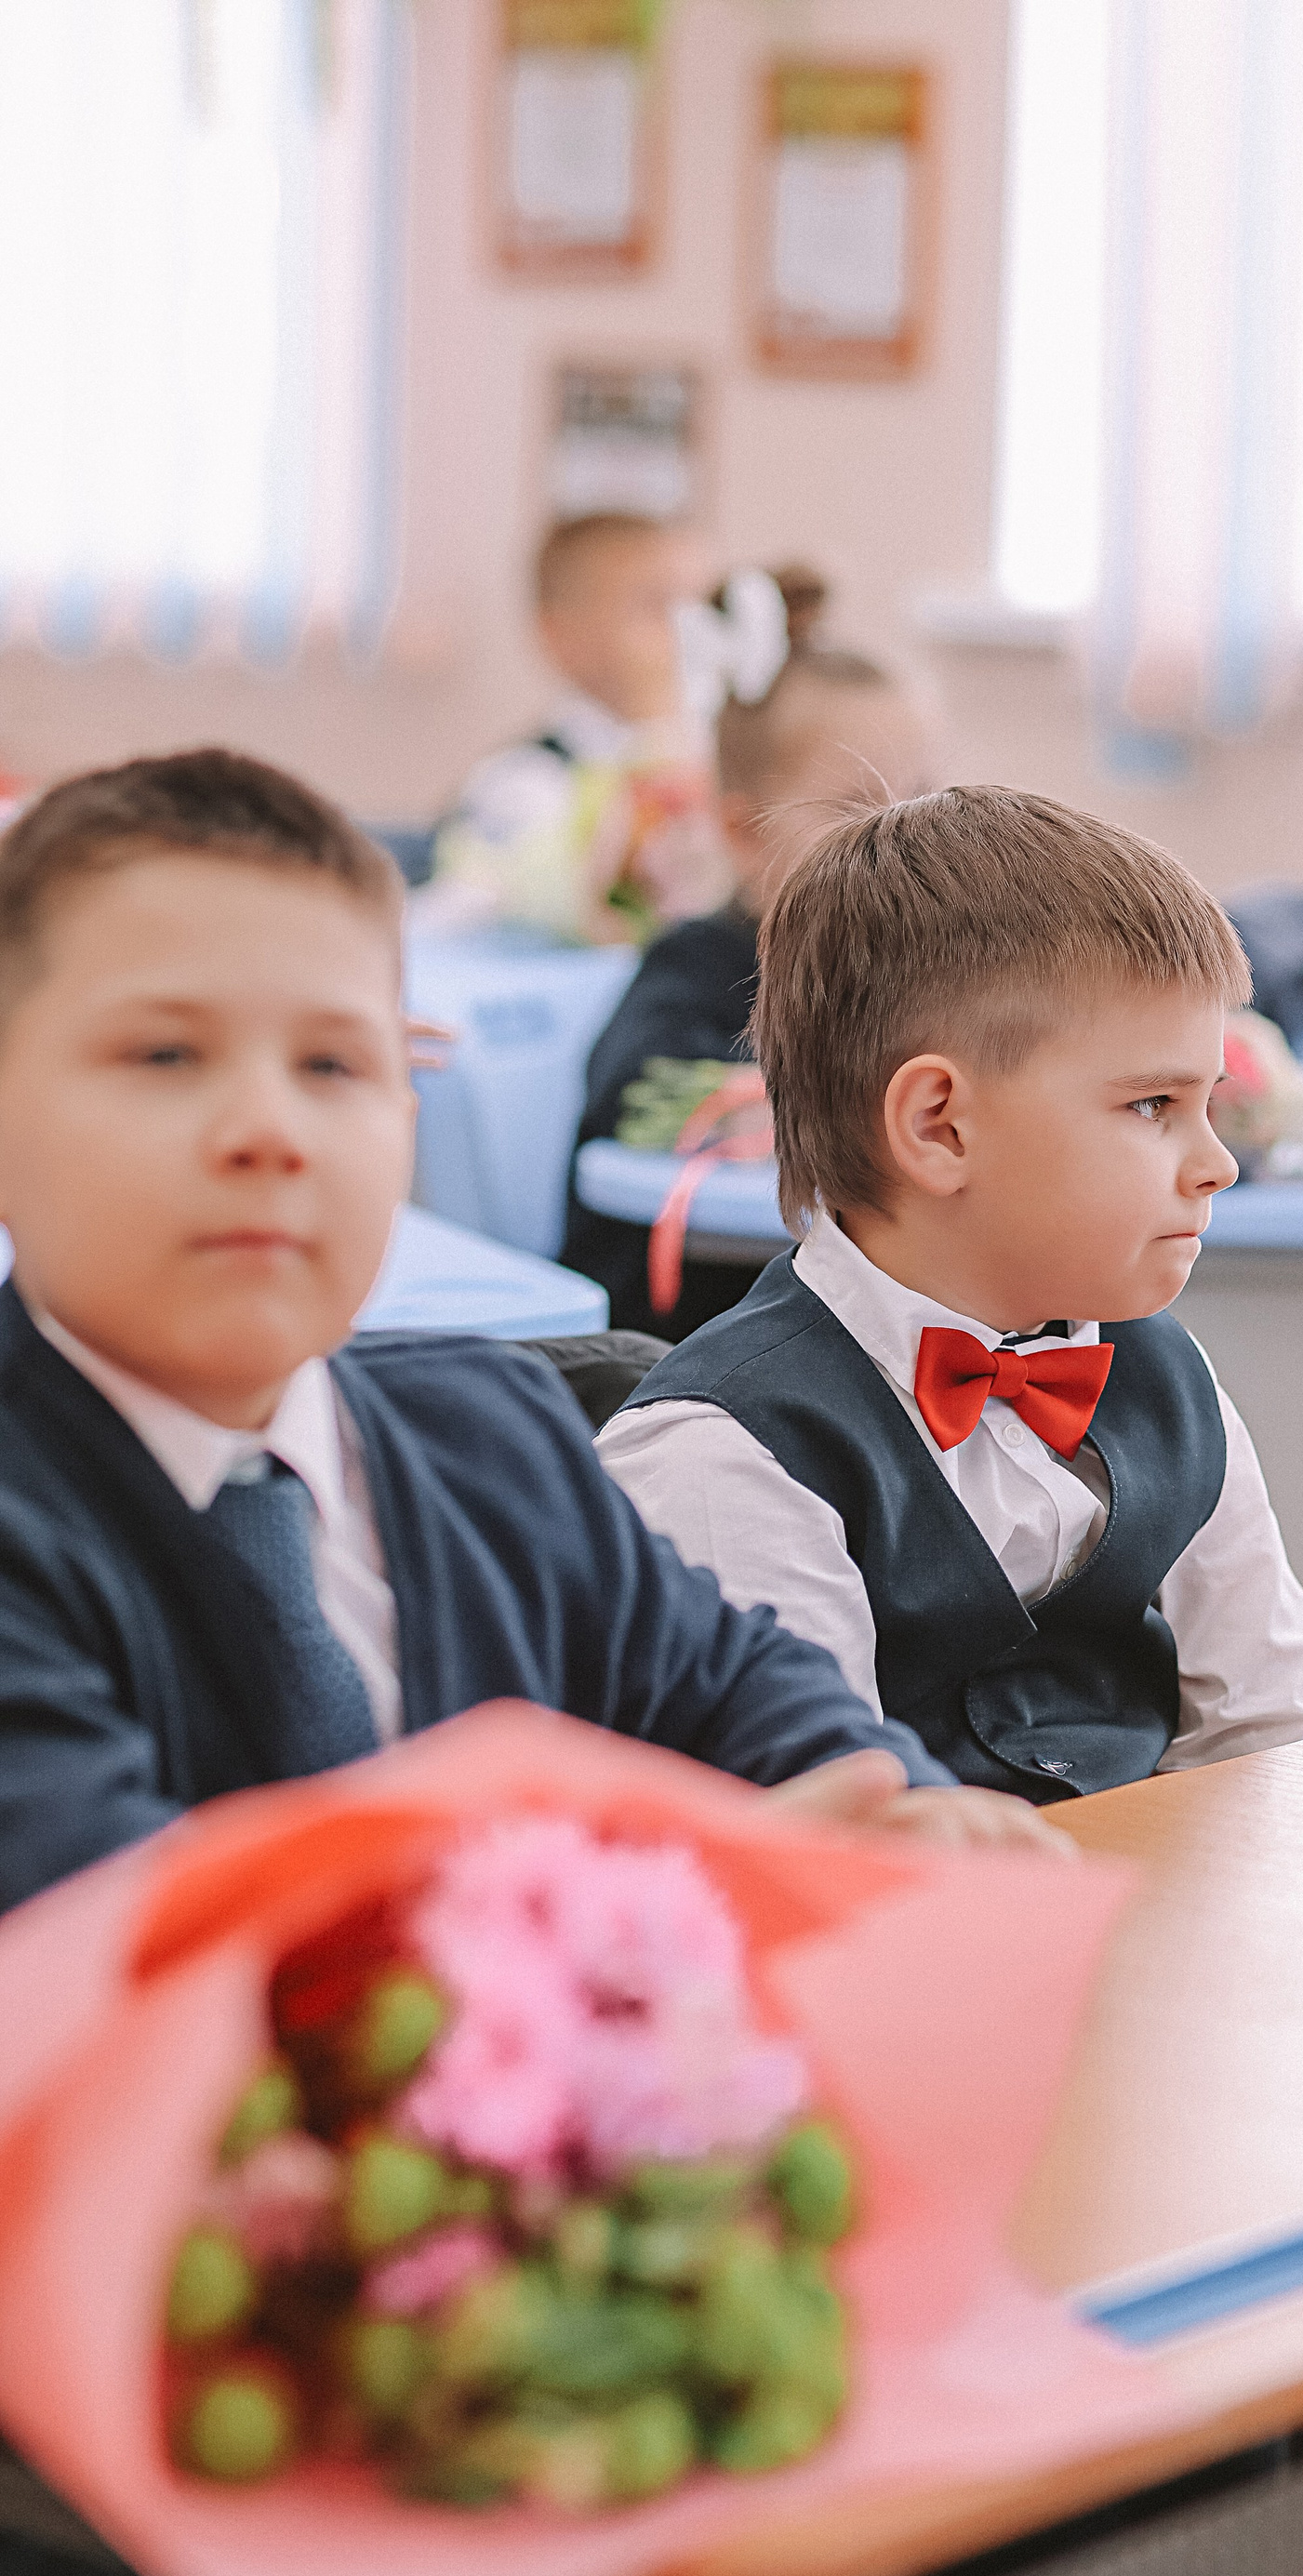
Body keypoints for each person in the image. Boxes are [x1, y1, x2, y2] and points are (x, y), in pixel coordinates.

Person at [0, 749, 1072, 1914]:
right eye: (165, 1055)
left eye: (332, 1064)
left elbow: (737, 1688)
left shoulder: (493, 1434)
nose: (270, 1130)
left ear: (404, 1110)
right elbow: (134, 1945)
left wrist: (892, 1811)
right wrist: (657, 1887)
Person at [599, 788, 1303, 1797]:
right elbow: (833, 1831)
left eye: (1209, 1104)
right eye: (1152, 1105)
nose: (1217, 1165)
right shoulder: (729, 1457)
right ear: (939, 1126)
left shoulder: (1169, 1378)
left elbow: (1279, 1739)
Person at [561, 646, 932, 1337]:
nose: (901, 844)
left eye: (921, 807)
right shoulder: (697, 963)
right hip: (672, 1336)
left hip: (827, 1328)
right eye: (855, 810)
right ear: (743, 834)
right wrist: (804, 1111)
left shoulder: (912, 985)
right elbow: (635, 1090)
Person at [420, 512, 744, 945]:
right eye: (658, 608)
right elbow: (463, 908)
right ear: (563, 636)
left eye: (706, 608)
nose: (692, 632)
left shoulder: (735, 760)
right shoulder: (523, 781)